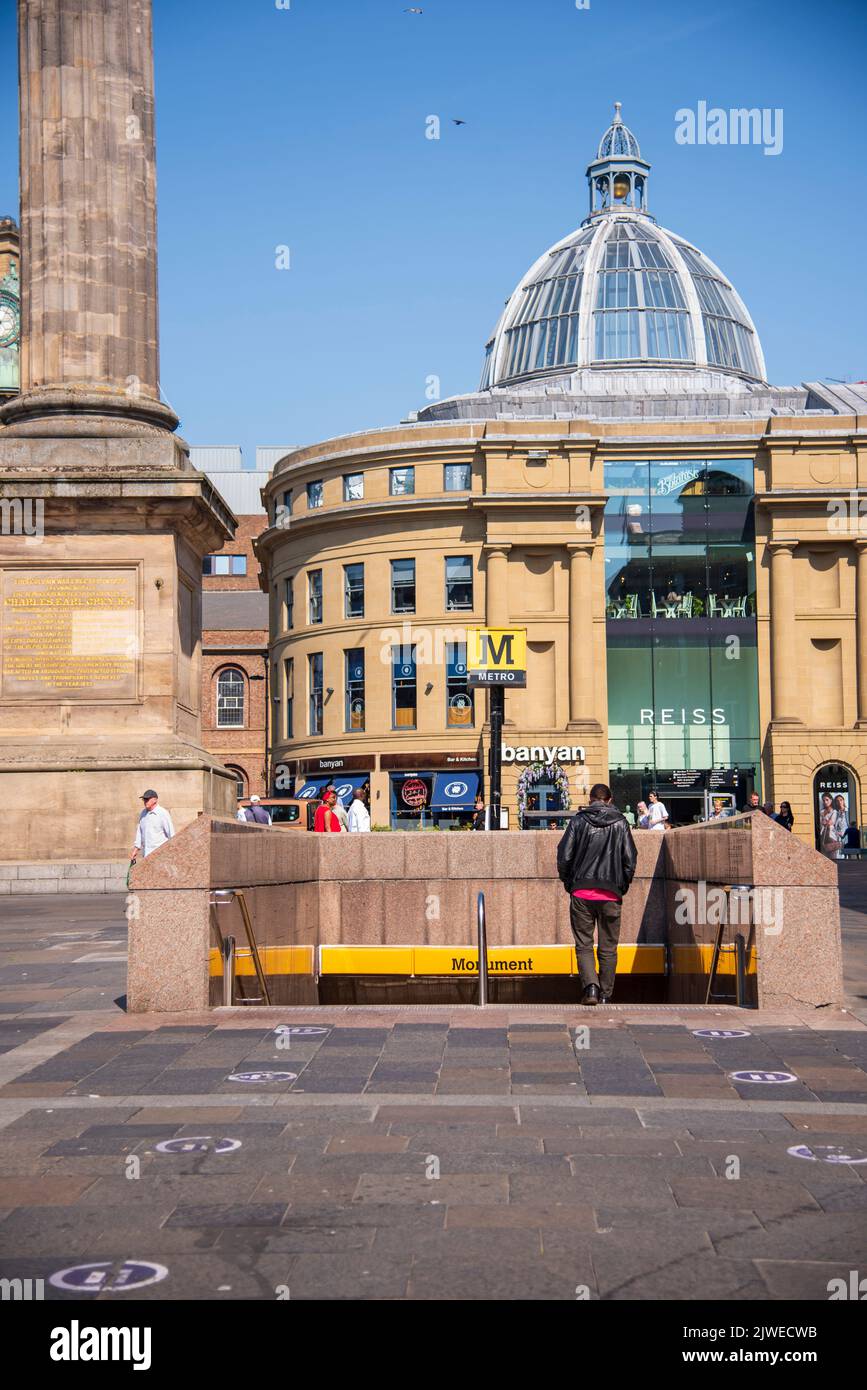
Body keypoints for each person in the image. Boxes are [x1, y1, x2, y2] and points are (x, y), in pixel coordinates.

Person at [557, 783, 637, 1007]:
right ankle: (605, 994)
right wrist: (621, 886)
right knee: (608, 947)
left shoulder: (578, 821)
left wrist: (570, 884)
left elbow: (564, 856)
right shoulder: (621, 822)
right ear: (609, 800)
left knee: (584, 944)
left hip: (581, 891)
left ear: (591, 799)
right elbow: (630, 859)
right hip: (610, 893)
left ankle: (590, 987)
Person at [131, 790, 174, 861]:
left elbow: (171, 834)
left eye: (147, 799)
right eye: (144, 799)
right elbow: (139, 832)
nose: (145, 801)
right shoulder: (143, 813)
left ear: (155, 800)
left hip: (160, 855)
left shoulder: (163, 813)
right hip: (146, 855)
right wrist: (136, 850)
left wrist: (171, 853)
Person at [818, 793, 840, 860]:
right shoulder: (821, 812)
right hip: (823, 836)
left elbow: (831, 822)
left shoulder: (834, 812)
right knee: (824, 857)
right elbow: (820, 823)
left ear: (831, 800)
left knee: (832, 857)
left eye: (827, 800)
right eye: (824, 800)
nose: (825, 802)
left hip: (831, 836)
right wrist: (824, 822)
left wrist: (825, 822)